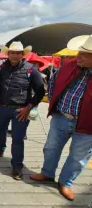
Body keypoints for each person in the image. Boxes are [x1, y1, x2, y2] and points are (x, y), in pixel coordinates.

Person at [30, 35, 92, 201]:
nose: (78, 56)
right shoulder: (69, 65)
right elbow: (53, 82)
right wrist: (53, 101)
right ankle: (47, 173)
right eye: (80, 52)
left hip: (87, 125)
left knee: (78, 158)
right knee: (50, 148)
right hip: (61, 117)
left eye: (85, 54)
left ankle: (66, 183)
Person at [0, 41, 45, 181]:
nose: (15, 55)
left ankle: (17, 166)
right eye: (12, 52)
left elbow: (40, 92)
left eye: (18, 53)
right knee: (0, 130)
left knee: (17, 139)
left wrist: (29, 107)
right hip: (2, 107)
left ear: (22, 54)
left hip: (21, 110)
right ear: (8, 54)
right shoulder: (2, 68)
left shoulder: (31, 70)